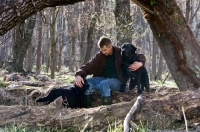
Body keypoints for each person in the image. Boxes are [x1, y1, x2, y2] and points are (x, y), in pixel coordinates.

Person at [74, 36, 146, 107]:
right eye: (102, 50)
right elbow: (89, 65)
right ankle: (86, 108)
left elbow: (139, 55)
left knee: (104, 84)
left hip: (118, 81)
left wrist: (140, 63)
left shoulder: (120, 52)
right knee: (86, 82)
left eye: (105, 50)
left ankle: (106, 109)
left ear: (110, 46)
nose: (103, 52)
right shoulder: (100, 55)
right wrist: (79, 75)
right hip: (103, 78)